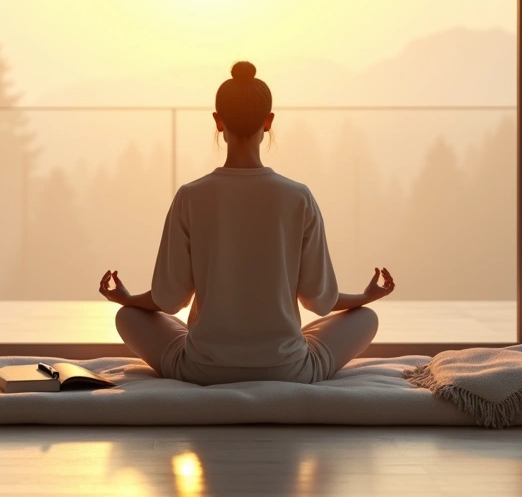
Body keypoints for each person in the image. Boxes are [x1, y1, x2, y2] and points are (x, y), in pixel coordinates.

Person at [96, 61, 397, 385]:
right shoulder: (298, 197)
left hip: (202, 370)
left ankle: (211, 345)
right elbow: (319, 300)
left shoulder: (190, 196)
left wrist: (127, 299)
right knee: (365, 319)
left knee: (127, 318)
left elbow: (169, 299)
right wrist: (364, 299)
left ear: (217, 122)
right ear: (268, 123)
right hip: (289, 370)